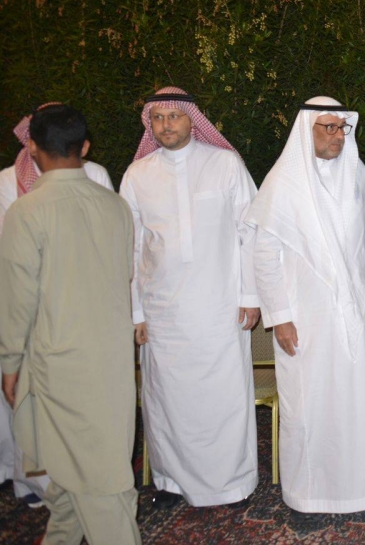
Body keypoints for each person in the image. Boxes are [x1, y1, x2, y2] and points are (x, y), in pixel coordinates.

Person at [0, 104, 140, 544]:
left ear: (32, 148)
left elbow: (17, 300)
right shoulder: (116, 206)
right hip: (113, 361)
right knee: (72, 483)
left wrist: (9, 363)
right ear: (85, 147)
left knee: (102, 487)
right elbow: (123, 277)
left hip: (60, 365)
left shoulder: (26, 211)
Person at [249, 96, 365, 513]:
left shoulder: (357, 175)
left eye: (341, 128)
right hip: (304, 318)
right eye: (327, 128)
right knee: (306, 407)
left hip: (353, 313)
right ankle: (307, 496)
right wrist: (280, 317)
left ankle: (359, 492)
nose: (337, 136)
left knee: (354, 404)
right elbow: (264, 256)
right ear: (306, 130)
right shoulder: (283, 183)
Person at [120, 87, 260, 509]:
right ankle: (170, 480)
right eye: (157, 117)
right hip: (162, 312)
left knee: (223, 397)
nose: (166, 125)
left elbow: (250, 231)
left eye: (174, 116)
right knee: (167, 401)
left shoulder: (225, 164)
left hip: (220, 307)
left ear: (191, 120)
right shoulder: (137, 175)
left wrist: (250, 294)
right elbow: (130, 247)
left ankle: (231, 484)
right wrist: (136, 311)